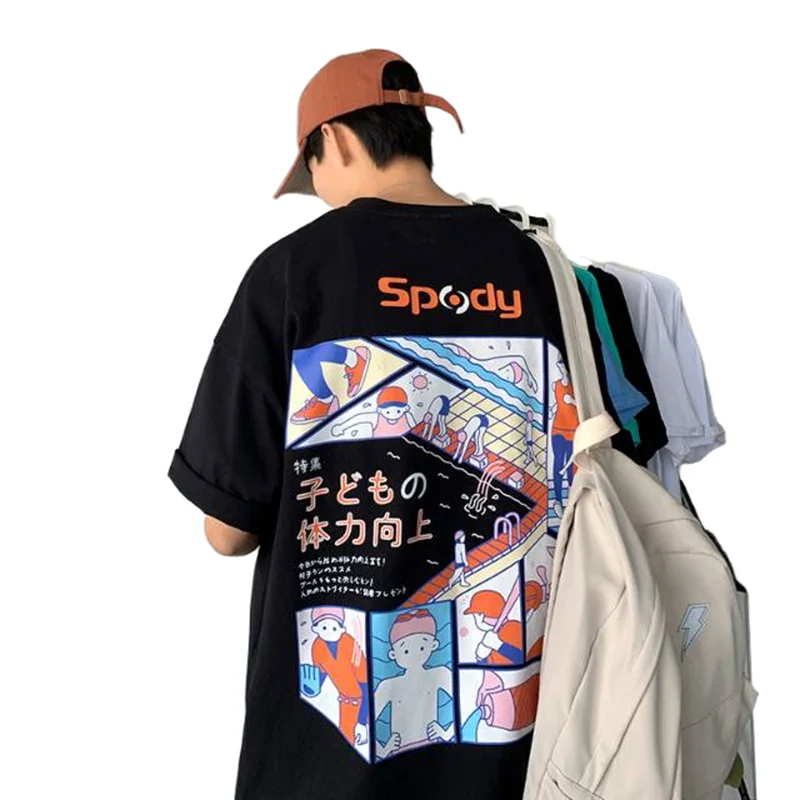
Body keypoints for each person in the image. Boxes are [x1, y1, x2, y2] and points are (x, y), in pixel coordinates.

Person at [168, 48, 583, 800]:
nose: (321, 195)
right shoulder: (545, 270)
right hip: (530, 752)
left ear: (332, 139)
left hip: (330, 766)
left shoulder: (293, 271)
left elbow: (227, 530)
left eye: (312, 173)